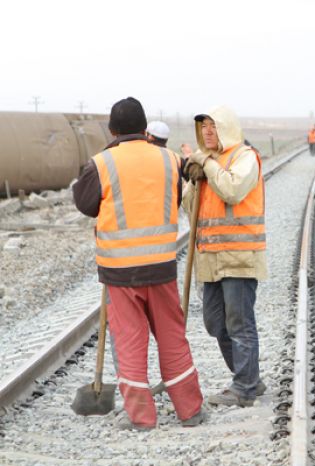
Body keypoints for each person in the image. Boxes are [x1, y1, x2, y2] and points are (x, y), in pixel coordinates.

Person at [72, 97, 204, 430]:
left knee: (130, 341)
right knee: (173, 336)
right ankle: (190, 410)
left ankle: (142, 417)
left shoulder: (102, 163)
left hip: (119, 271)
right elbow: (172, 200)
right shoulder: (171, 159)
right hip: (161, 266)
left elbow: (86, 204)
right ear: (146, 128)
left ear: (113, 130)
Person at [182, 105, 267, 408]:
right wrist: (191, 181)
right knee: (214, 321)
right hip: (211, 259)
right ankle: (250, 378)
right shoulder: (210, 162)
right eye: (203, 126)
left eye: (213, 126)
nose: (207, 131)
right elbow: (190, 211)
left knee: (239, 322)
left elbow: (232, 190)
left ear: (227, 127)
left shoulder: (244, 157)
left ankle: (244, 385)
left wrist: (205, 163)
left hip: (239, 256)